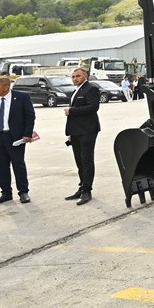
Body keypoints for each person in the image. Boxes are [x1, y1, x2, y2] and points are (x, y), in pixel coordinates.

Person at [0, 76, 35, 205]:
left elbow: (30, 116)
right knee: (1, 166)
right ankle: (6, 193)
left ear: (6, 87)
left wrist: (27, 134)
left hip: (14, 137)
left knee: (18, 164)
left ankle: (23, 192)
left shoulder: (21, 97)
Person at [63, 67, 101, 205]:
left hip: (87, 130)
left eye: (78, 76)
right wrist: (71, 133)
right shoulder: (77, 90)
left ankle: (87, 190)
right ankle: (82, 186)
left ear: (86, 76)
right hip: (76, 132)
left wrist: (72, 111)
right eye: (73, 76)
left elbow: (93, 107)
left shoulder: (91, 88)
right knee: (79, 161)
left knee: (86, 161)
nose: (75, 78)